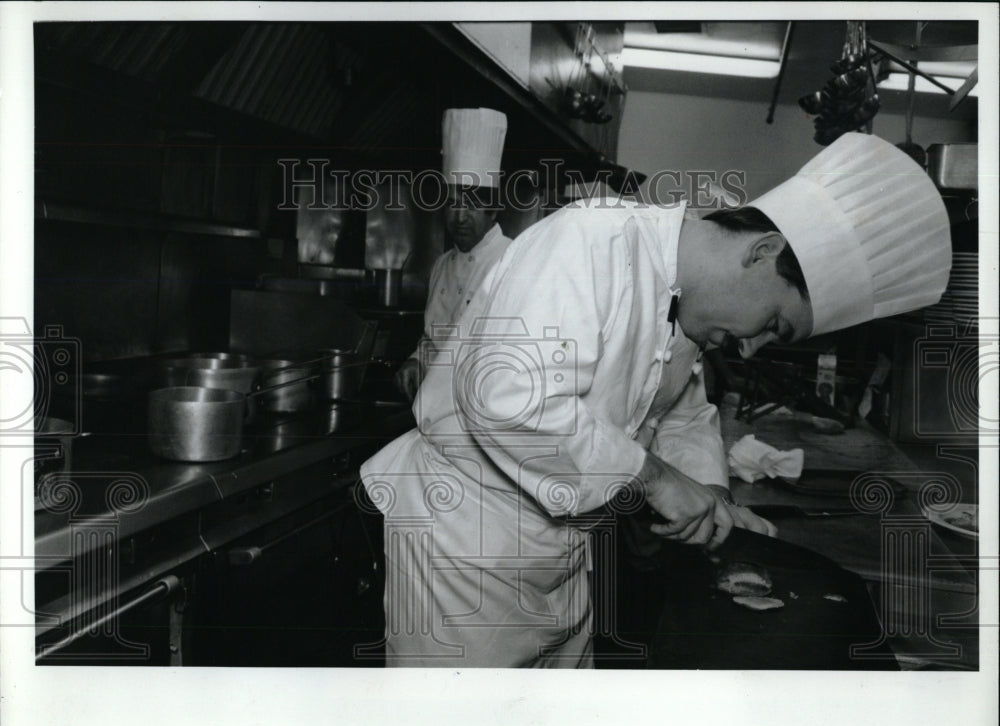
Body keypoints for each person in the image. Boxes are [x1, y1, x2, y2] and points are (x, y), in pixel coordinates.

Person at [361, 132, 952, 668]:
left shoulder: (686, 304)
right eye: (773, 322)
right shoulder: (591, 242)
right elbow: (509, 398)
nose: (751, 351)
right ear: (762, 251)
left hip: (561, 555)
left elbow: (682, 413)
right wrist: (657, 479)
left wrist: (710, 500)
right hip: (465, 553)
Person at [394, 108, 513, 401]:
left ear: (493, 209)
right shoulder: (441, 265)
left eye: (471, 205)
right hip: (436, 408)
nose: (459, 217)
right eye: (452, 204)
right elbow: (433, 341)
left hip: (486, 412)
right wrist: (417, 361)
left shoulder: (514, 260)